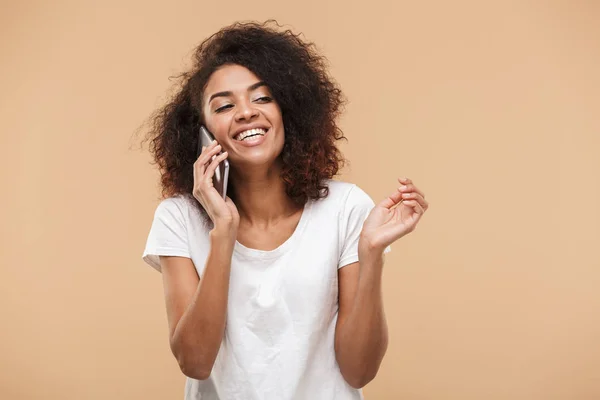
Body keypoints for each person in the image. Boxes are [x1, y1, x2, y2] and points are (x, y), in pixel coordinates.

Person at [142, 20, 429, 400]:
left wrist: (371, 254)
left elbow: (358, 370)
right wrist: (223, 231)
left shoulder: (344, 208)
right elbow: (195, 362)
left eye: (263, 98)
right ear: (202, 132)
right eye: (225, 105)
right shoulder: (178, 217)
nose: (246, 113)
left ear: (289, 110)